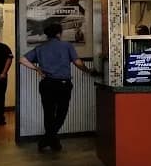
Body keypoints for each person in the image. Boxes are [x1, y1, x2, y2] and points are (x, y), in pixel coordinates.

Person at [19, 22, 95, 152]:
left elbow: (22, 60)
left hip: (47, 84)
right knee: (61, 113)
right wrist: (87, 70)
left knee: (48, 114)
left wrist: (37, 69)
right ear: (59, 33)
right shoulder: (67, 46)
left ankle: (50, 140)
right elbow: (77, 62)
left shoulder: (40, 48)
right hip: (63, 85)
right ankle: (49, 139)